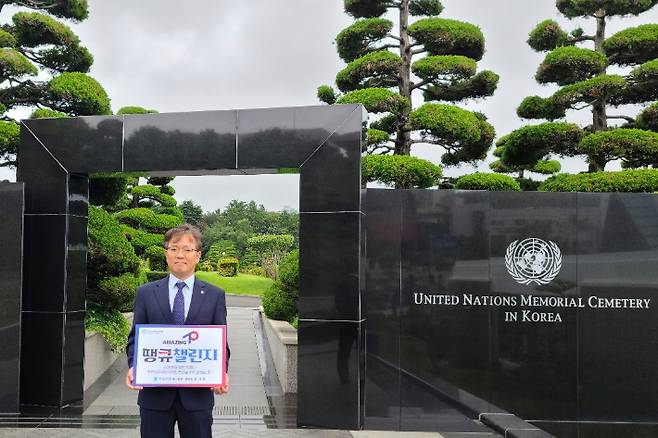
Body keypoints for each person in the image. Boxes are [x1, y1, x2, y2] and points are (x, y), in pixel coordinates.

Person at [125, 224, 230, 438]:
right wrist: (134, 365)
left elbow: (220, 344)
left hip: (197, 397)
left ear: (198, 256)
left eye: (187, 249)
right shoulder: (145, 293)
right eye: (174, 248)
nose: (180, 255)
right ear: (166, 254)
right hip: (154, 396)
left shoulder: (214, 295)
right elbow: (135, 338)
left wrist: (221, 373)